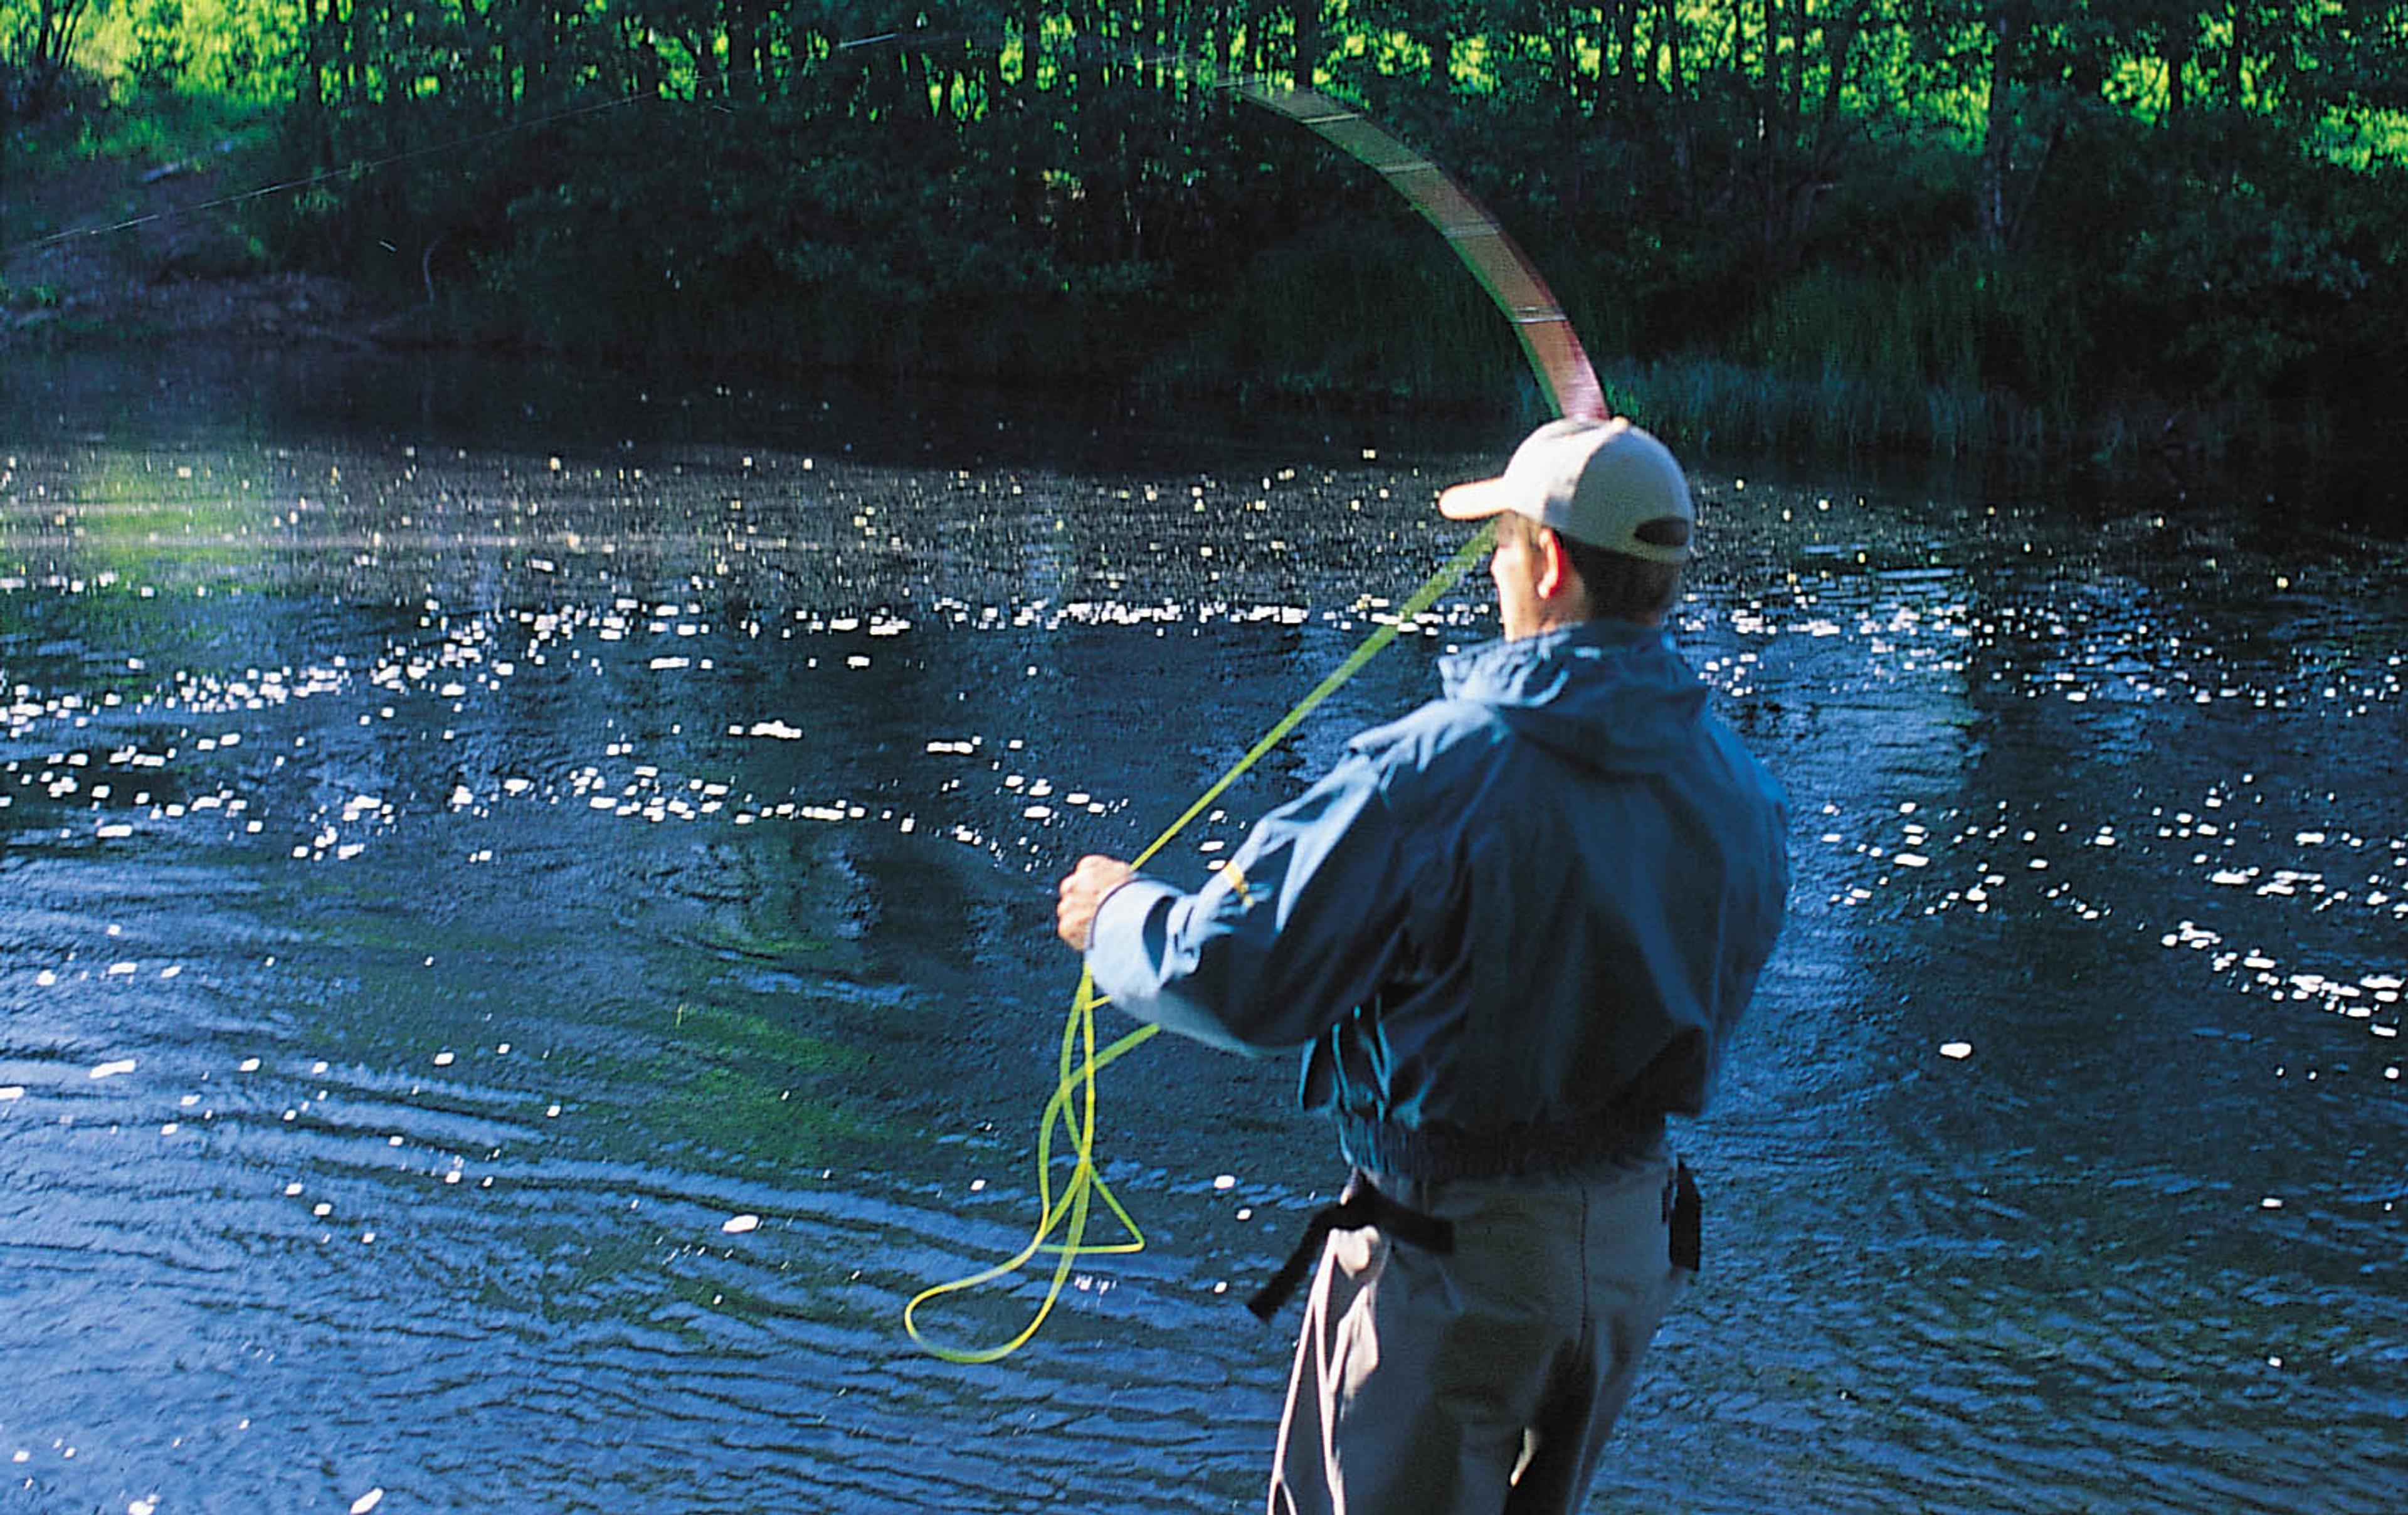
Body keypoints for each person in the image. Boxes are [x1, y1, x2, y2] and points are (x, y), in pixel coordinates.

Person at [1054, 416, 1789, 1515]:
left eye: (1499, 543)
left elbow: (1238, 975)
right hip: (1631, 1255)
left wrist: (1116, 916)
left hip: (1456, 1265)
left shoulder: (1433, 773)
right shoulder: (1741, 783)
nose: (1491, 568)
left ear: (1547, 563)